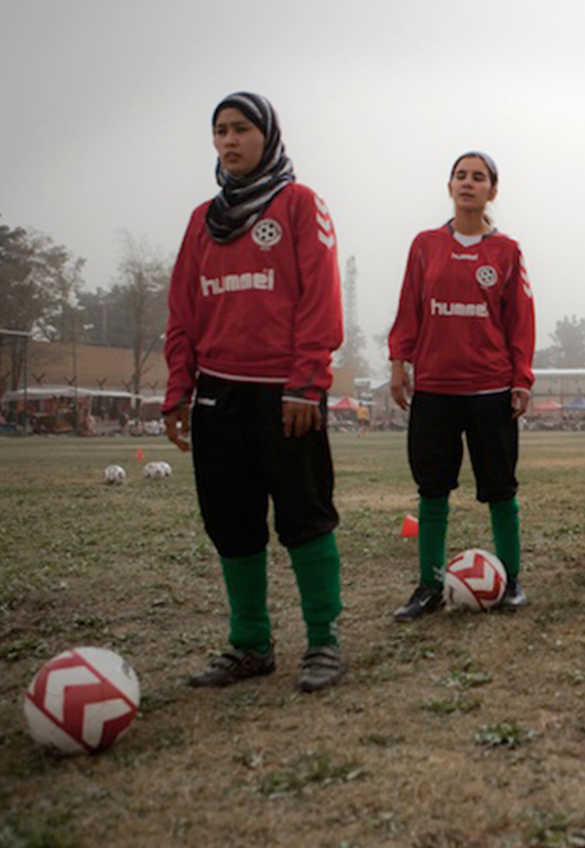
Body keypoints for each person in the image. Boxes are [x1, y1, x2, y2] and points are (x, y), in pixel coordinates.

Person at [163, 91, 345, 693]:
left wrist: (306, 383)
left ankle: (323, 641)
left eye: (241, 128)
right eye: (220, 131)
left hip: (286, 394)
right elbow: (183, 312)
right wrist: (179, 389)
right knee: (231, 523)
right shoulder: (202, 220)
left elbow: (321, 299)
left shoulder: (300, 204)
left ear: (268, 135)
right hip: (218, 396)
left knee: (305, 517)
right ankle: (249, 644)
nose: (230, 140)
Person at [388, 152, 536, 619]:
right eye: (460, 176)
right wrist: (399, 363)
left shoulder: (506, 251)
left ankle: (511, 580)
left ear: (493, 190)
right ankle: (429, 585)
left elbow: (520, 321)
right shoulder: (425, 245)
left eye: (478, 177)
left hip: (490, 389)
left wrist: (521, 378)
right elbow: (409, 308)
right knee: (432, 489)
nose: (468, 183)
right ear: (449, 186)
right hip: (435, 388)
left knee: (501, 488)